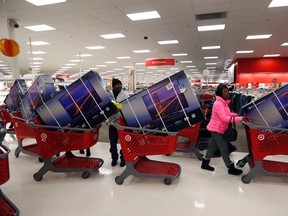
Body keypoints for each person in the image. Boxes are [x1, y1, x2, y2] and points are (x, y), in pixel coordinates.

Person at [201, 83, 245, 175]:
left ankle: (205, 163)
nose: (227, 93)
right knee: (224, 148)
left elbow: (228, 114)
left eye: (227, 91)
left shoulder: (223, 103)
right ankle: (230, 167)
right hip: (217, 129)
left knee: (213, 147)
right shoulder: (218, 104)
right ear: (220, 93)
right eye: (224, 92)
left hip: (218, 128)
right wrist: (240, 119)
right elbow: (224, 118)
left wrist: (237, 115)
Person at [109, 78, 129, 167]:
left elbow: (126, 107)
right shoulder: (109, 94)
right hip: (112, 123)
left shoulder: (125, 95)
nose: (119, 86)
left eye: (120, 84)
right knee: (112, 142)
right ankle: (114, 158)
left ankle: (123, 159)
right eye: (117, 84)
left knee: (123, 142)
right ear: (113, 86)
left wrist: (115, 104)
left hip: (122, 122)